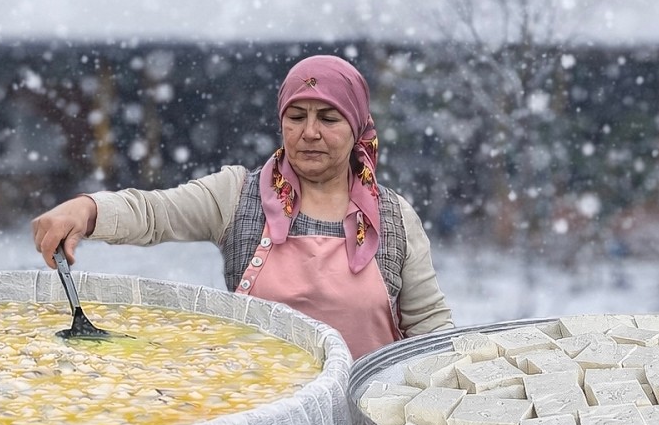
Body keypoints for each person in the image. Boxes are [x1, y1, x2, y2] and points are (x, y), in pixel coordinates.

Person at [31, 54, 453, 359]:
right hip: (268, 423)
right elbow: (154, 213)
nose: (309, 133)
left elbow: (430, 329)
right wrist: (86, 210)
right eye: (296, 116)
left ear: (357, 126)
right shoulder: (239, 196)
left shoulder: (393, 217)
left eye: (328, 118)